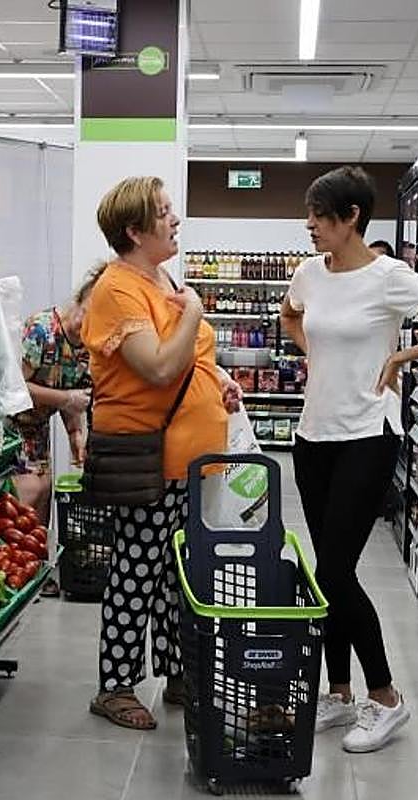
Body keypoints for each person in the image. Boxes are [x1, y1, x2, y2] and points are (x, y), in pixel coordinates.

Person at [281, 166, 418, 753]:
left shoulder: (390, 276)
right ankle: (339, 695)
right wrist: (314, 350)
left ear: (351, 219)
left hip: (368, 434)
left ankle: (387, 698)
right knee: (327, 569)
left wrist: (400, 359)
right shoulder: (308, 274)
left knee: (333, 574)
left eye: (320, 217)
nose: (310, 226)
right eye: (310, 215)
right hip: (312, 436)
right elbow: (292, 317)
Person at [82, 176, 241, 730]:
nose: (175, 219)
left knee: (175, 572)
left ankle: (178, 674)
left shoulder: (157, 277)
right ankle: (115, 686)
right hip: (149, 458)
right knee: (137, 569)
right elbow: (156, 366)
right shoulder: (119, 288)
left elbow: (185, 360)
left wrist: (216, 378)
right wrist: (196, 309)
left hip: (186, 462)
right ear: (134, 229)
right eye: (165, 212)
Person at [11, 263, 104, 526]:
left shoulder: (88, 349)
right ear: (79, 300)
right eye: (86, 313)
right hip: (10, 425)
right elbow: (16, 386)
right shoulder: (42, 330)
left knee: (45, 491)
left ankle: (35, 559)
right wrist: (65, 399)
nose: (85, 325)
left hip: (38, 427)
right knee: (28, 490)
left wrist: (76, 434)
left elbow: (73, 390)